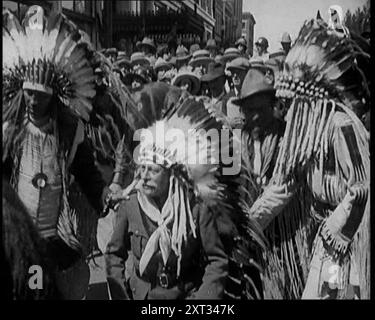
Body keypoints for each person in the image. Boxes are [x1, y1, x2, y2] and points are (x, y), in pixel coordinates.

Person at [249, 18, 370, 299]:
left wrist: (337, 234)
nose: (288, 112)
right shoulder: (305, 133)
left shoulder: (342, 126)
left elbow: (362, 187)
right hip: (324, 239)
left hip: (345, 244)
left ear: (310, 100)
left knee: (333, 294)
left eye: (293, 103)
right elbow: (282, 186)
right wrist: (248, 224)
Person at [3, 6, 110, 299]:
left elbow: (87, 173)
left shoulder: (68, 132)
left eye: (39, 95)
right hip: (18, 237)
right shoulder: (9, 132)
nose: (32, 101)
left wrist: (104, 195)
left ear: (52, 96)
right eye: (28, 93)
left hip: (54, 240)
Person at [105, 98, 231, 300]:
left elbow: (216, 261)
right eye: (142, 169)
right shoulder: (131, 206)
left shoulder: (195, 208)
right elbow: (113, 255)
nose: (144, 176)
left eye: (153, 171)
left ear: (171, 176)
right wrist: (121, 295)